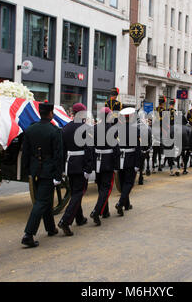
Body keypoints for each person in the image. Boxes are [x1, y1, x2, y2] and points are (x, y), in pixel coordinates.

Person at [21, 101, 63, 248]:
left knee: (46, 199)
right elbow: (58, 156)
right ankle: (29, 234)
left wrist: (27, 170)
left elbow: (25, 153)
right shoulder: (55, 131)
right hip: (48, 170)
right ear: (51, 114)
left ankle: (50, 227)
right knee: (41, 202)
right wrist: (58, 175)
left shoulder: (30, 130)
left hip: (35, 170)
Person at [58, 103, 93, 236]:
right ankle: (65, 221)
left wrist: (62, 168)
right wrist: (88, 168)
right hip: (81, 165)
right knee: (78, 192)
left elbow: (62, 150)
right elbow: (89, 150)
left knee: (75, 191)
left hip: (70, 164)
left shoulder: (65, 128)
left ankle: (79, 218)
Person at [90, 107, 120, 226]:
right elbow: (116, 149)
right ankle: (96, 211)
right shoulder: (112, 129)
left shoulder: (94, 128)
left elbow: (91, 146)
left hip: (98, 161)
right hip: (108, 161)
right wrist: (117, 165)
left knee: (100, 186)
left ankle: (105, 211)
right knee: (106, 188)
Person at [115, 107, 142, 216]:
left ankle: (126, 204)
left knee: (122, 182)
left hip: (120, 158)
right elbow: (138, 148)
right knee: (129, 183)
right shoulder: (136, 129)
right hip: (130, 159)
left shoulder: (117, 129)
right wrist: (138, 163)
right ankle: (121, 203)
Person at [152, 96, 166, 172]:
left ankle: (153, 165)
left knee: (154, 150)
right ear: (163, 102)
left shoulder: (155, 109)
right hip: (161, 128)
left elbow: (153, 118)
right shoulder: (164, 110)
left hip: (154, 128)